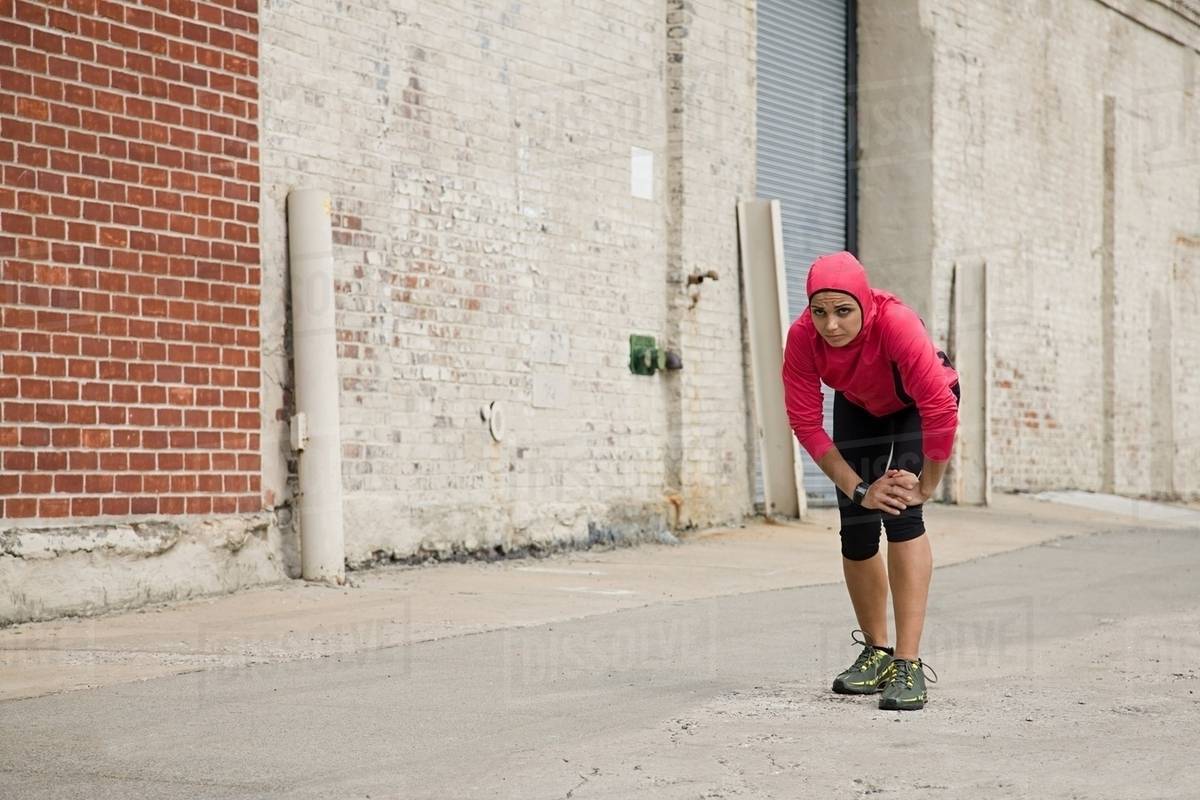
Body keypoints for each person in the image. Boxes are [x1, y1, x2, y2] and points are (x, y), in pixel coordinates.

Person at [781, 251, 960, 711]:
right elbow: (805, 422)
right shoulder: (802, 337)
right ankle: (877, 653)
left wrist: (926, 486)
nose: (830, 325)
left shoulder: (896, 324)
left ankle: (908, 663)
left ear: (863, 302)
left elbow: (940, 409)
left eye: (843, 311)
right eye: (819, 311)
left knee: (901, 512)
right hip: (861, 405)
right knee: (857, 527)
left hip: (918, 405)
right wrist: (858, 490)